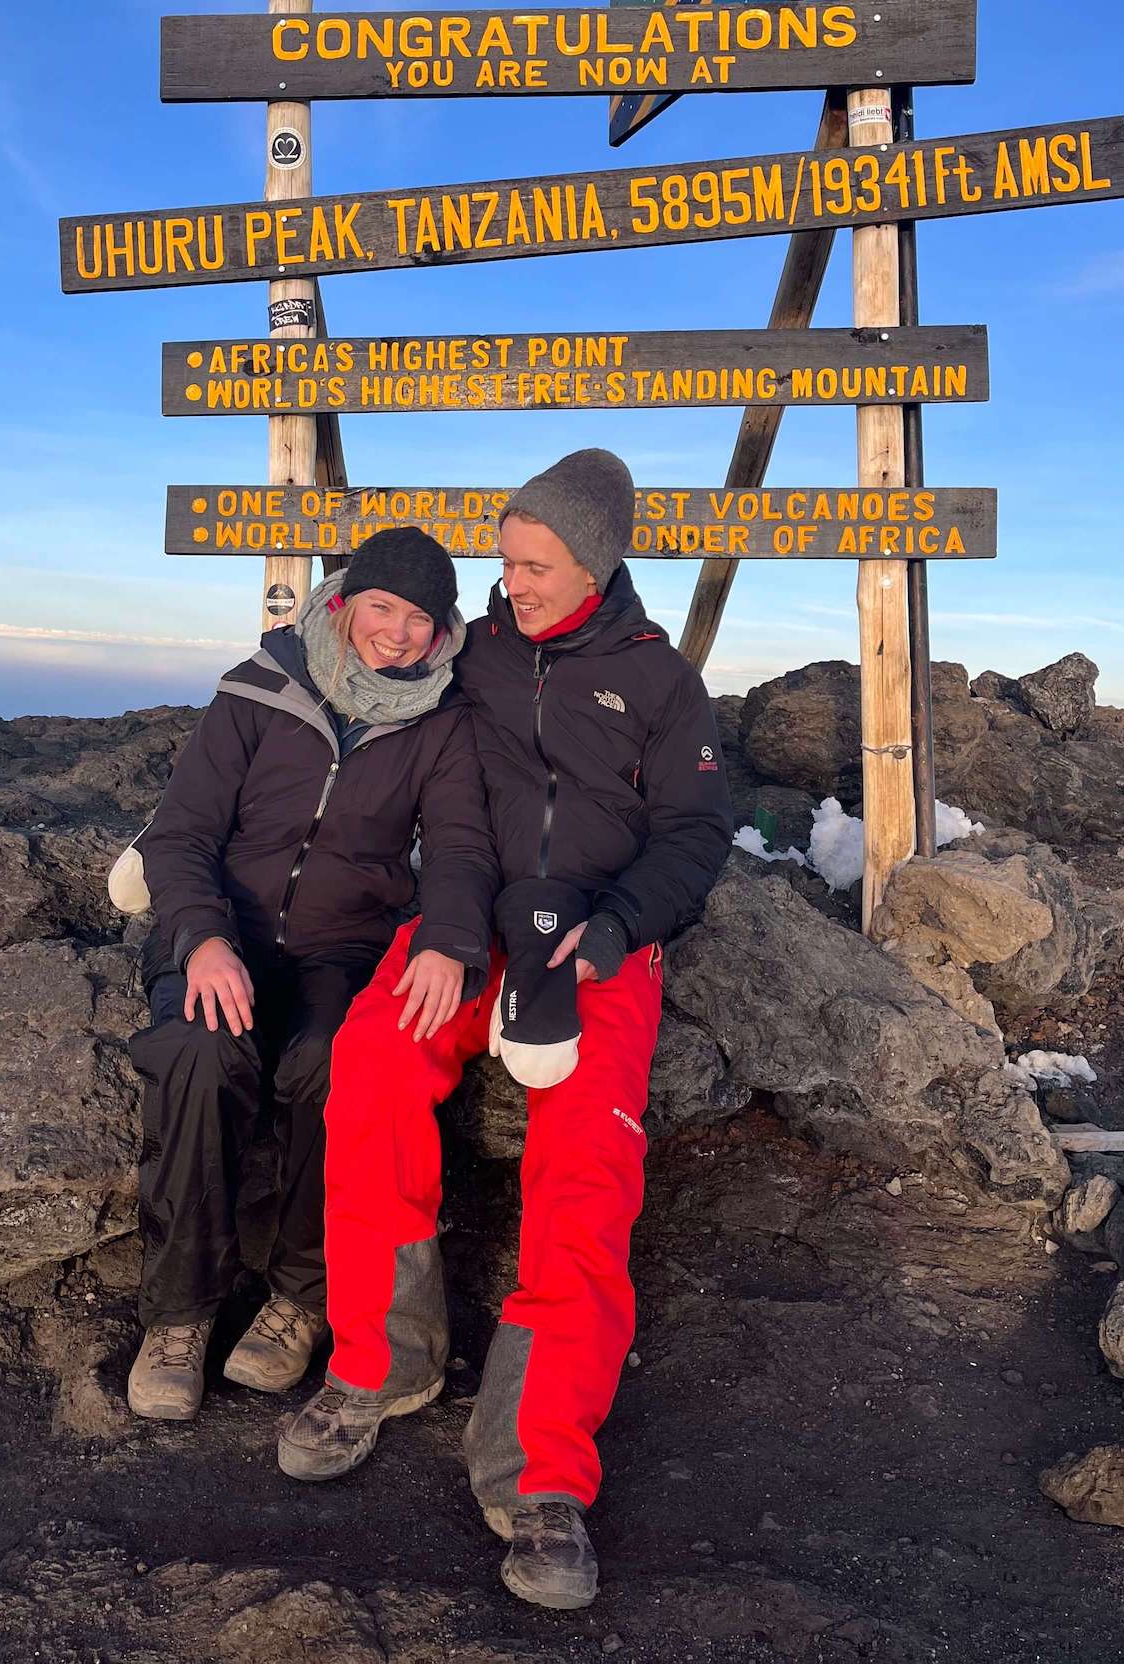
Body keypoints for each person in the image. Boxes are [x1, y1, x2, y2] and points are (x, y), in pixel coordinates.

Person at [279, 450, 733, 1611]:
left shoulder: (662, 682)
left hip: (596, 941)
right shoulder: (475, 656)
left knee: (586, 1157)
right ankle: (380, 1362)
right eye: (505, 559)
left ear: (597, 565)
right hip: (469, 923)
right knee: (373, 1059)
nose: (510, 582)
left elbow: (693, 837)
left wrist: (616, 927)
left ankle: (541, 1473)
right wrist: (441, 925)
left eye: (533, 565)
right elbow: (437, 787)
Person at [124, 527, 496, 1423]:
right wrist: (204, 939)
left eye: (419, 618)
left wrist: (447, 936)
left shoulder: (443, 722)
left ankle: (300, 1298)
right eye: (382, 608)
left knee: (332, 1063)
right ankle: (179, 1314)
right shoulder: (259, 689)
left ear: (442, 628)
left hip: (344, 949)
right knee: (199, 1055)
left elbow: (457, 846)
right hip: (226, 935)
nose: (398, 634)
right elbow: (179, 837)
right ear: (344, 601)